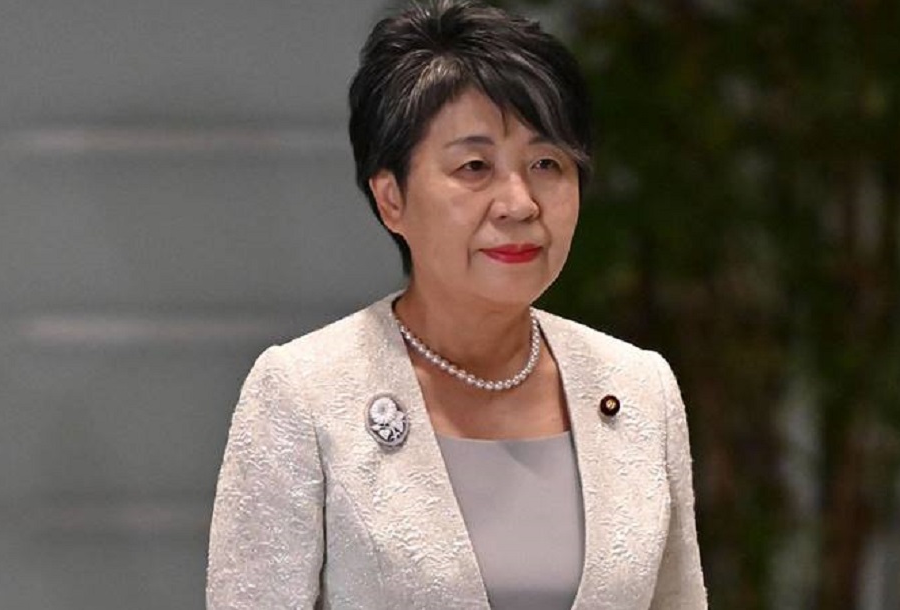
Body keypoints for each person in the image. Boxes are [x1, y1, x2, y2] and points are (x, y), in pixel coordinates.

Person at [206, 1, 707, 608]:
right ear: (391, 199)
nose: (519, 203)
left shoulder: (639, 388)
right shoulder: (304, 393)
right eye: (474, 166)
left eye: (546, 163)